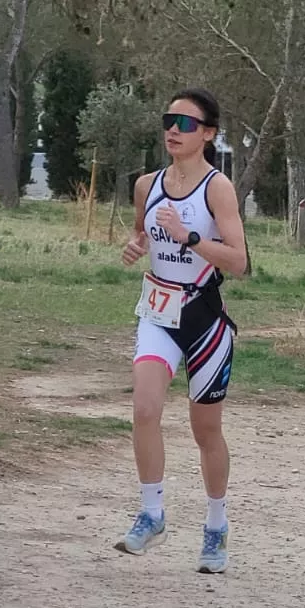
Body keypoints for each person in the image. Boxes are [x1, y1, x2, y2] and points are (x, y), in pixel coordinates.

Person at [117, 89, 248, 574]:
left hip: (204, 321)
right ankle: (152, 513)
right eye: (169, 120)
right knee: (144, 407)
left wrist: (190, 237)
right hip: (156, 312)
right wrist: (136, 245)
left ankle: (216, 524)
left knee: (205, 430)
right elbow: (140, 229)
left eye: (186, 123)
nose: (174, 130)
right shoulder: (146, 184)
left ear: (208, 134)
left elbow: (240, 262)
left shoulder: (217, 189)